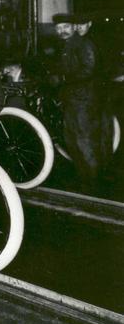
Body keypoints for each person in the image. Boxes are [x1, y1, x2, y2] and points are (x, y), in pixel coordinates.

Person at [53, 13, 110, 192]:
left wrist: (63, 78)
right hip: (74, 99)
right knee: (72, 140)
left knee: (85, 141)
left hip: (84, 100)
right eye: (59, 28)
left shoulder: (83, 44)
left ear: (74, 27)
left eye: (66, 27)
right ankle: (86, 180)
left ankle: (94, 185)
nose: (62, 31)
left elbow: (88, 69)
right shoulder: (68, 45)